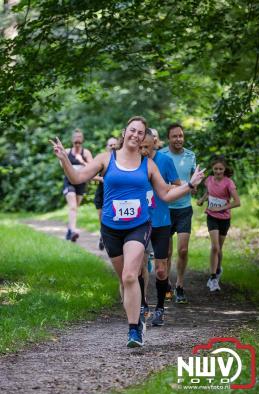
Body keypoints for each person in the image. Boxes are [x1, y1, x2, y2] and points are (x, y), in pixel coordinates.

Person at [50, 116, 205, 348]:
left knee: (131, 275)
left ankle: (134, 331)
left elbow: (165, 194)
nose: (135, 135)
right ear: (125, 132)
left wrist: (190, 185)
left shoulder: (148, 164)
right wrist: (64, 159)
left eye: (140, 133)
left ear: (145, 138)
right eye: (132, 130)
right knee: (124, 281)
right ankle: (136, 321)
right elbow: (77, 177)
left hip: (138, 225)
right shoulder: (106, 159)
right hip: (111, 229)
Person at [140, 131, 181, 326]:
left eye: (147, 147)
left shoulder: (164, 161)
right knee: (139, 268)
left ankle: (160, 309)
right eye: (140, 147)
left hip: (162, 222)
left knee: (161, 271)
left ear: (154, 143)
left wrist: (162, 188)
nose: (143, 151)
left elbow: (178, 186)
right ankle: (142, 305)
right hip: (138, 223)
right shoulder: (132, 163)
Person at [160, 123, 196, 304]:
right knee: (166, 252)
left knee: (183, 250)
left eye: (181, 135)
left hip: (184, 209)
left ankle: (179, 286)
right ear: (169, 138)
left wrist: (194, 186)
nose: (178, 139)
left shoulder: (191, 156)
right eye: (174, 136)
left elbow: (193, 182)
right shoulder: (162, 156)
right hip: (166, 208)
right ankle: (165, 284)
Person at [197, 156, 240, 292]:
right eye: (216, 169)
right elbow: (209, 192)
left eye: (221, 169)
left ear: (224, 169)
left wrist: (220, 208)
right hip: (211, 216)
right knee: (215, 247)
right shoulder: (209, 180)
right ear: (213, 169)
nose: (218, 171)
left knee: (219, 249)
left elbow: (237, 202)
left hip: (224, 219)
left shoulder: (229, 183)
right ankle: (213, 277)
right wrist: (202, 200)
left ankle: (218, 268)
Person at [63, 129, 93, 241]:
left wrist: (81, 161)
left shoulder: (86, 153)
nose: (77, 141)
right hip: (69, 182)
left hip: (81, 183)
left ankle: (69, 229)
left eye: (79, 139)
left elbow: (92, 168)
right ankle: (73, 231)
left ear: (82, 140)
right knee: (73, 206)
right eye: (75, 139)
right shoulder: (66, 152)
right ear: (72, 140)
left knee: (75, 208)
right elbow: (63, 167)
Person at [94, 137, 118, 250]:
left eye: (114, 144)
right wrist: (102, 179)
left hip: (115, 195)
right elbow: (91, 175)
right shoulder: (102, 159)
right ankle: (102, 236)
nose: (113, 146)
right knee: (102, 219)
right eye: (110, 145)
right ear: (106, 147)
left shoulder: (121, 159)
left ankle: (109, 239)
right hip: (101, 194)